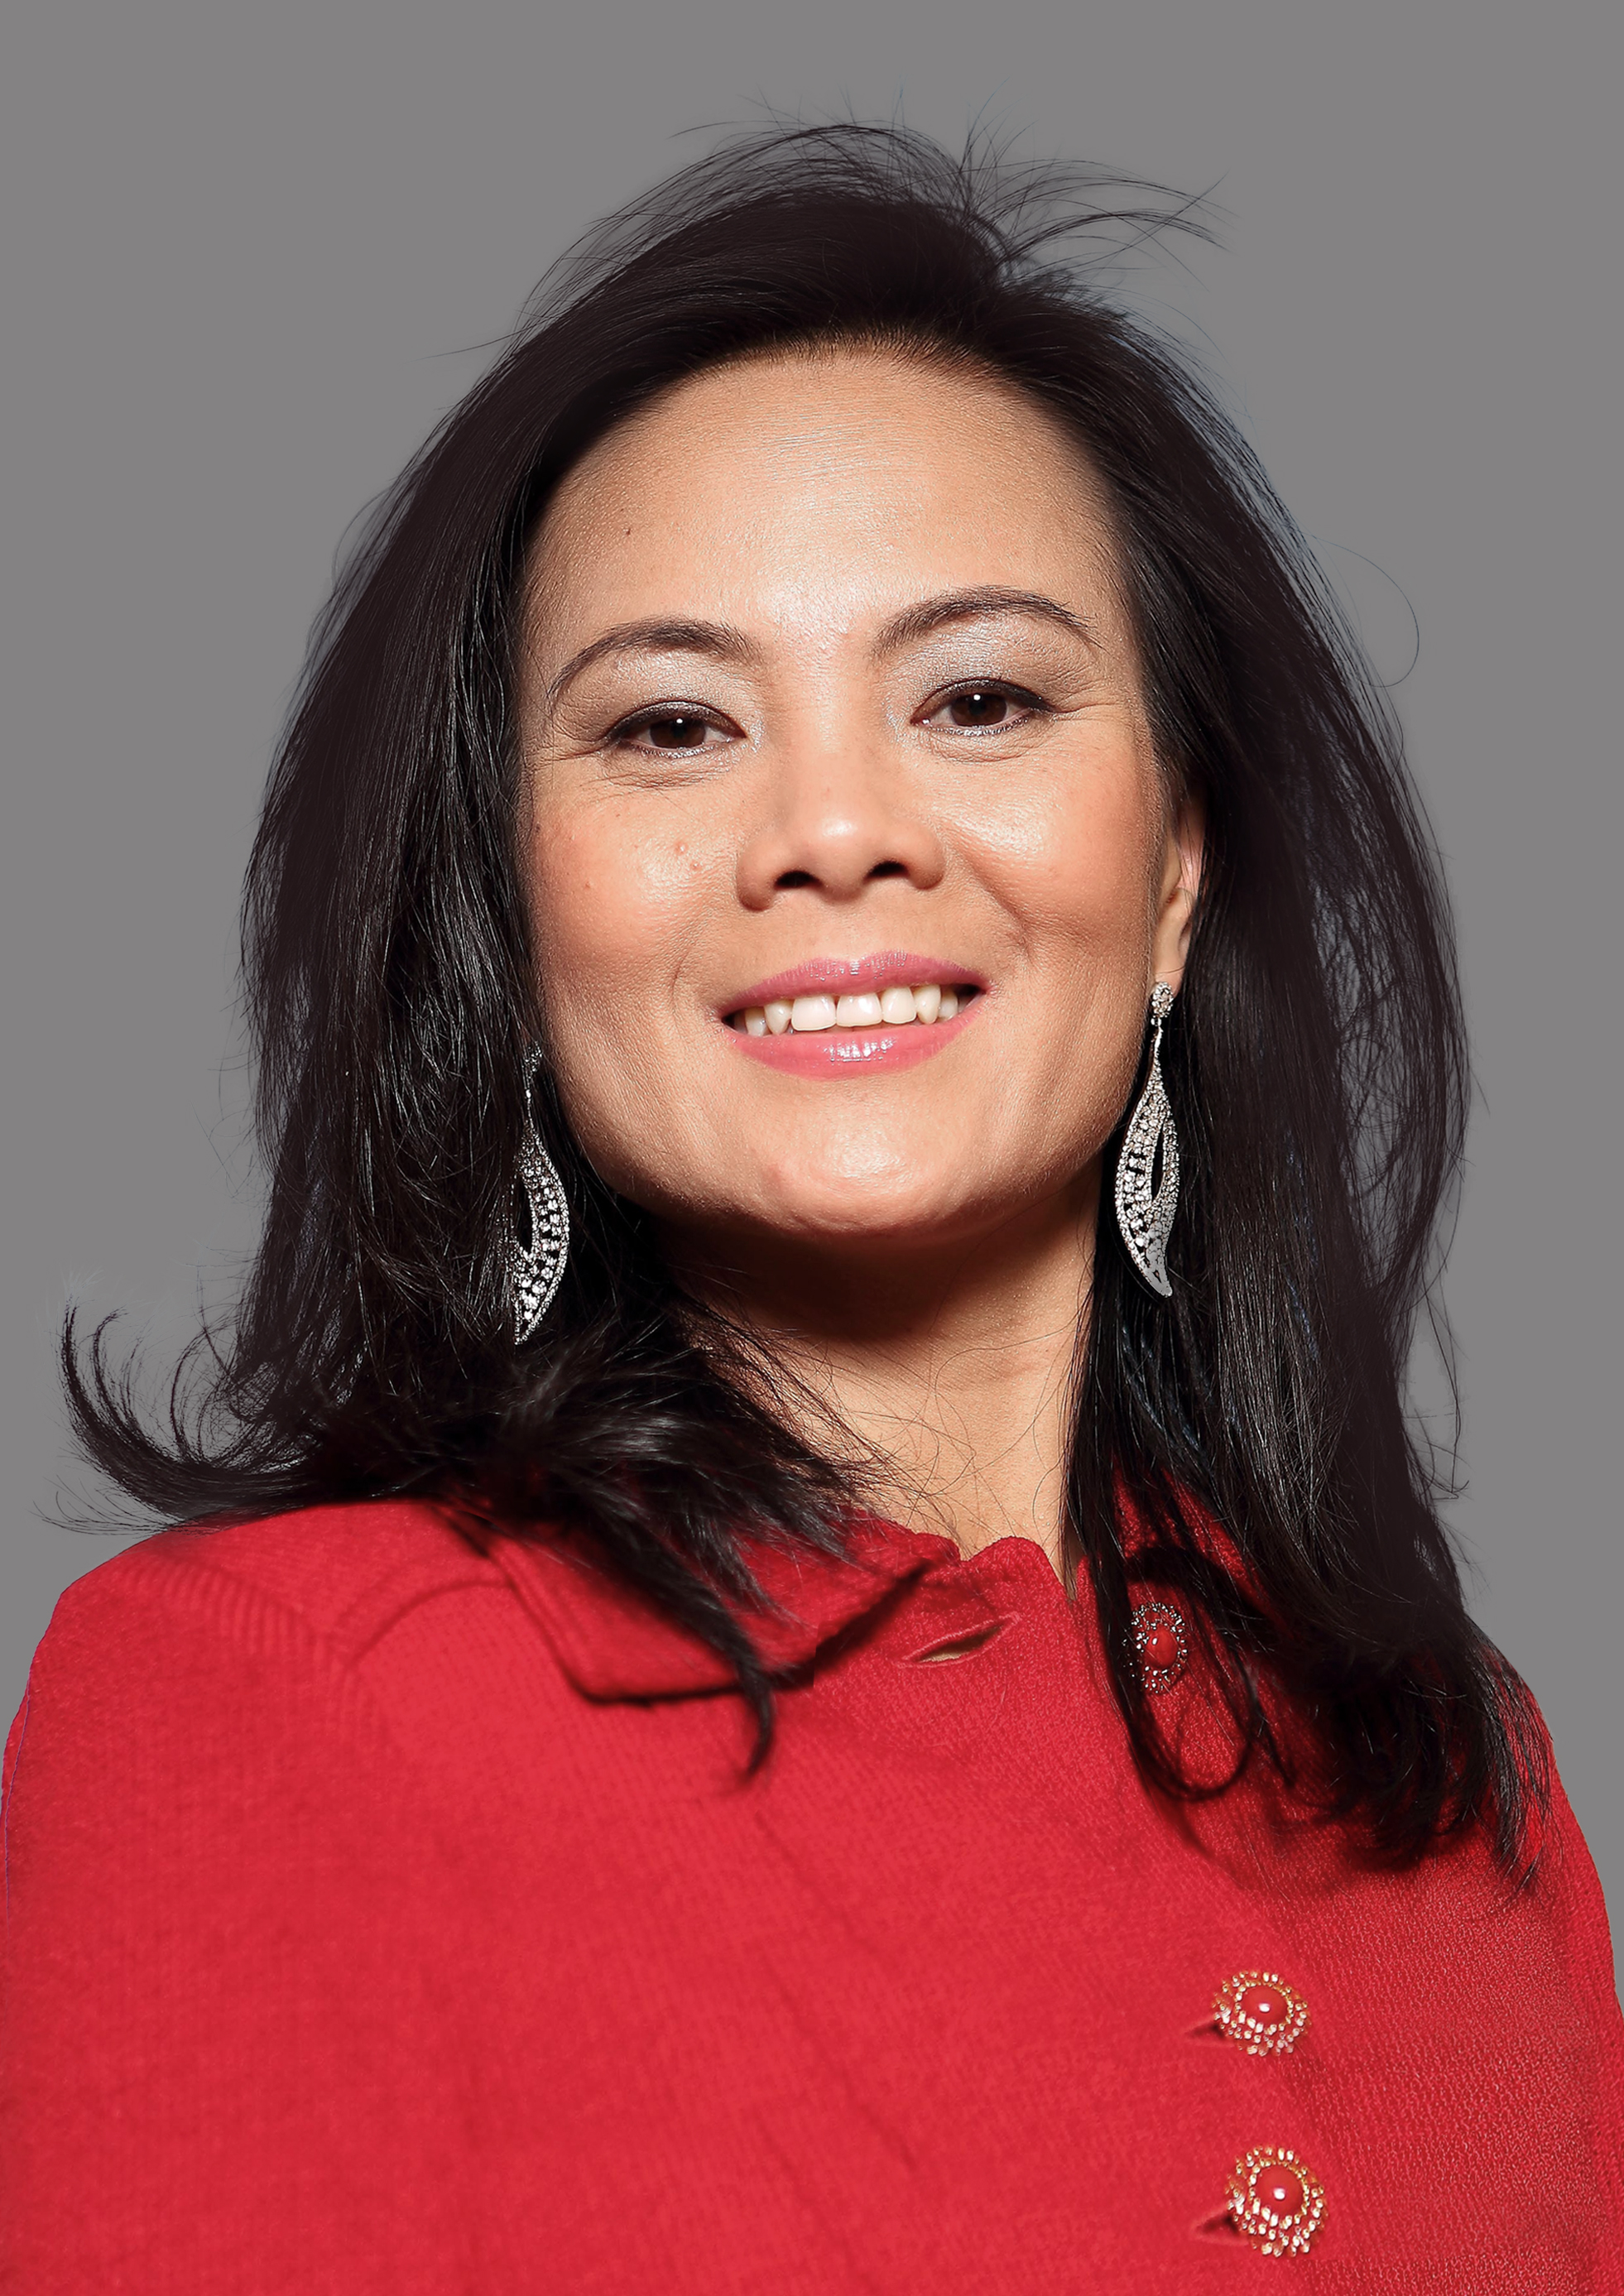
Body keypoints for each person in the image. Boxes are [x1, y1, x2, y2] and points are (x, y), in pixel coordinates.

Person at [2, 123, 1619, 2291]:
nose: (834, 830)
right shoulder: (283, 1696)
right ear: (513, 914)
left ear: (1172, 869)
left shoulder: (1451, 1770)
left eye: (979, 698)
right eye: (673, 726)